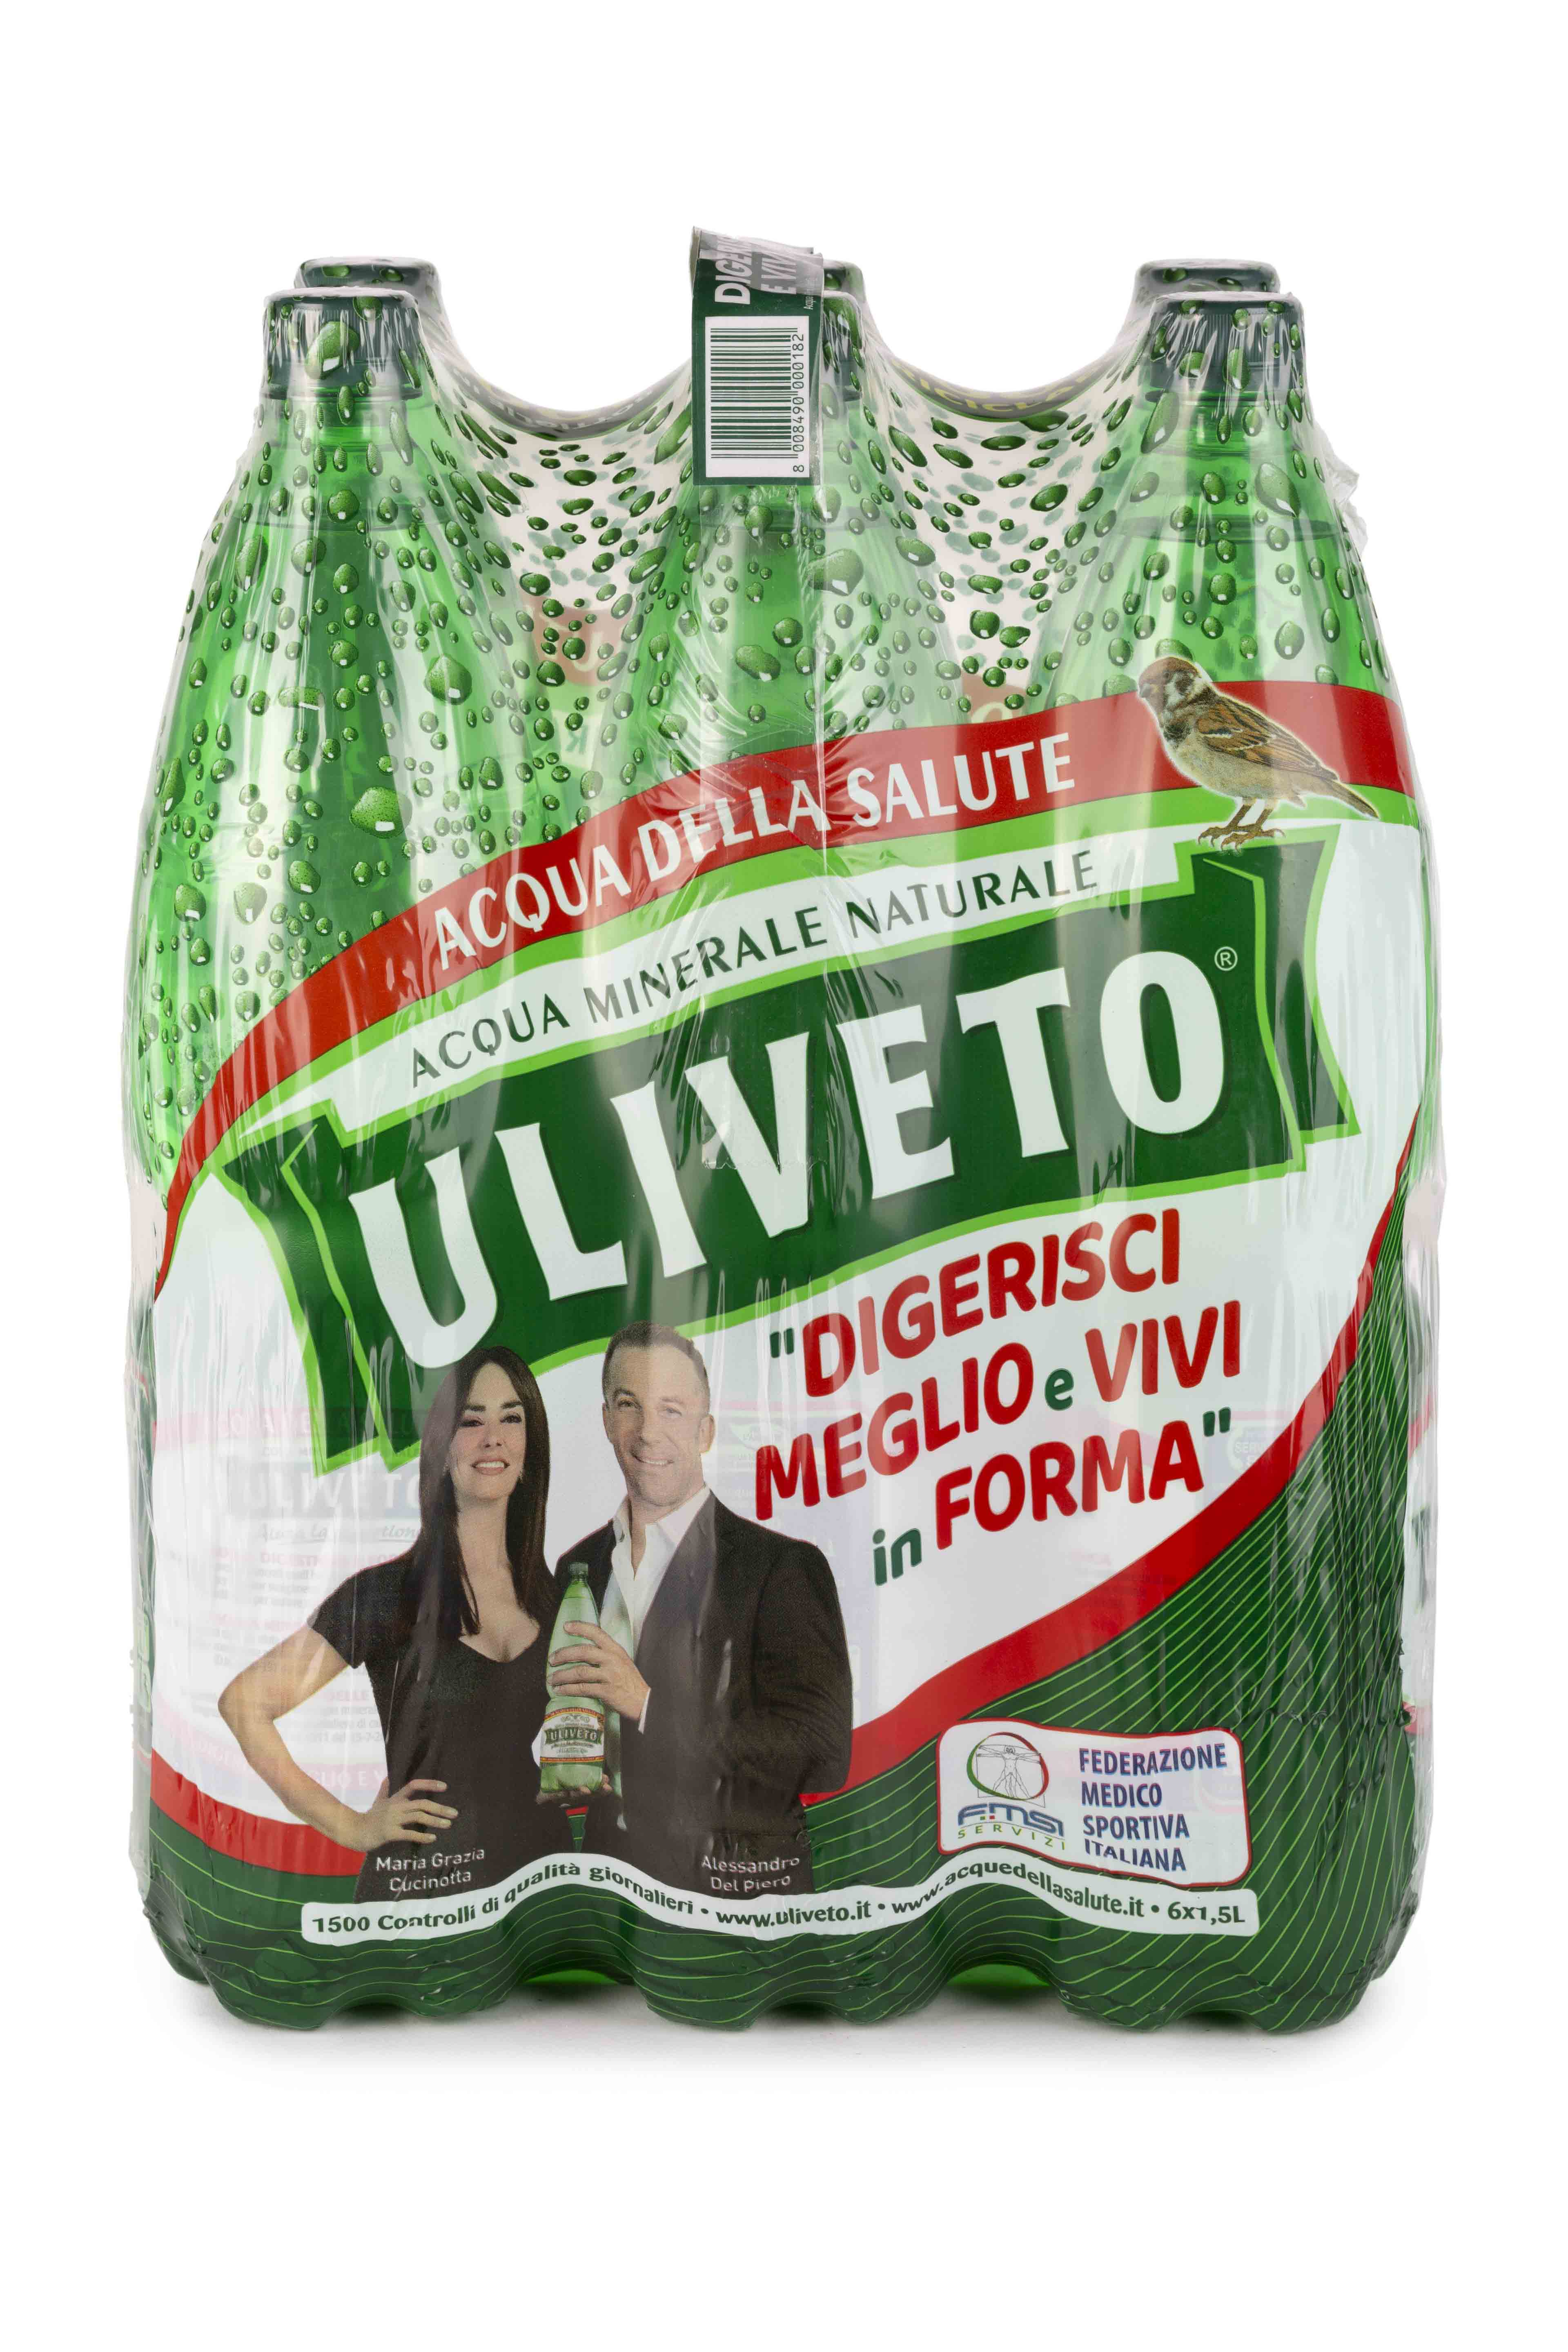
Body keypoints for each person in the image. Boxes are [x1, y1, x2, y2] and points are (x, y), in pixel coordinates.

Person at [218, 1345, 572, 1903]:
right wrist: (354, 1828)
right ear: (442, 1447)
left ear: (532, 1448)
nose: (493, 1439)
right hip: (418, 1898)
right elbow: (244, 1704)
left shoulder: (559, 1600)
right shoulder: (386, 1595)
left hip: (537, 1892)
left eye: (512, 1419)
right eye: (471, 1421)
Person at [551, 1321, 853, 1897]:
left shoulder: (782, 1568)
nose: (648, 1432)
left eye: (671, 1410)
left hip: (738, 1896)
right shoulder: (577, 1566)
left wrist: (647, 1707)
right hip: (610, 1898)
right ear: (607, 1420)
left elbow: (822, 1752)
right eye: (629, 1405)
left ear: (706, 1430)